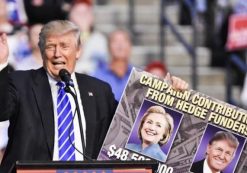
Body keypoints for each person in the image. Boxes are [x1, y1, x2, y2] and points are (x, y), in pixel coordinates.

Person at [0, 20, 189, 172]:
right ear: (42, 52)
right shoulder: (21, 82)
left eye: (65, 46)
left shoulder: (98, 91)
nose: (57, 54)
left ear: (78, 51)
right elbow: (1, 110)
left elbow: (131, 127)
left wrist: (170, 95)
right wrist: (1, 64)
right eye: (50, 47)